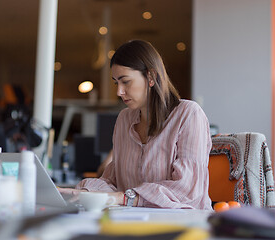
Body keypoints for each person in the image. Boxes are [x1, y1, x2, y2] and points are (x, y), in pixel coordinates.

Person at [59, 40, 212, 209]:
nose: (119, 92)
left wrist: (125, 197)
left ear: (151, 77)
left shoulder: (188, 114)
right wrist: (82, 192)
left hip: (184, 225)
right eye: (116, 83)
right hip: (136, 222)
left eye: (126, 81)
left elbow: (187, 189)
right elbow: (112, 181)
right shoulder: (124, 119)